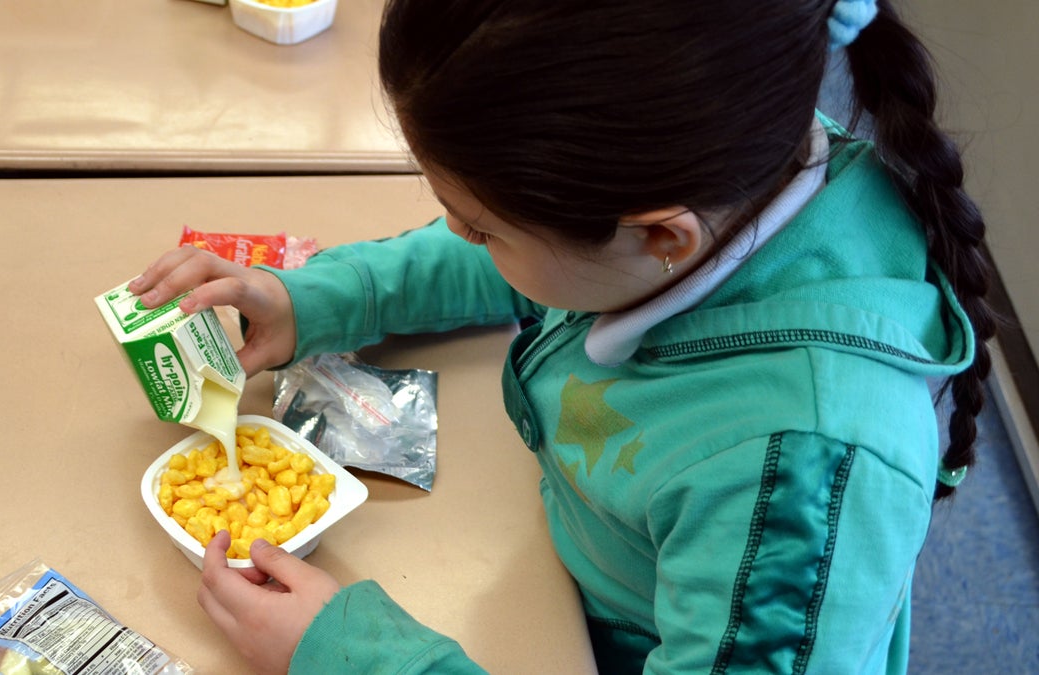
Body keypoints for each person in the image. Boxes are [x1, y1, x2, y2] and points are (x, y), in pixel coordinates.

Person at [128, 0, 996, 671]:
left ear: (662, 238)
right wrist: (318, 298)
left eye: (479, 226)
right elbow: (541, 254)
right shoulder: (715, 179)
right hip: (583, 563)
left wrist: (350, 654)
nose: (465, 241)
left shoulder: (796, 478)